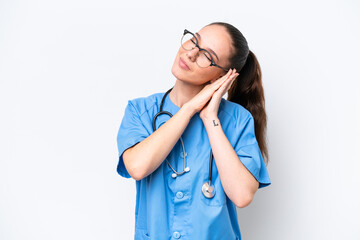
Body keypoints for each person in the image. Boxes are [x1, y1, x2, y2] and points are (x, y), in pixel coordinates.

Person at [116, 21, 271, 240]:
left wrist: (209, 117)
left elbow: (242, 195)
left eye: (207, 55)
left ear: (220, 77)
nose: (191, 54)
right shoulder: (140, 111)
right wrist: (189, 109)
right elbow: (137, 167)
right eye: (193, 40)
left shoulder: (236, 120)